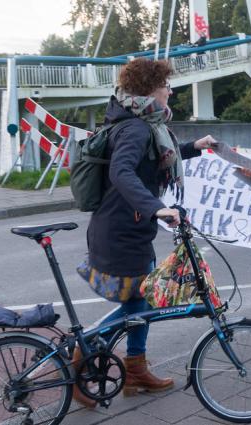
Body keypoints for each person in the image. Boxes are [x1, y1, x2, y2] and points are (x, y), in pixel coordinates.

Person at [75, 58, 215, 408]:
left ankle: (135, 368)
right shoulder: (136, 127)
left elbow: (149, 162)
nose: (170, 90)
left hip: (129, 226)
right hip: (122, 230)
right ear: (152, 88)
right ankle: (83, 352)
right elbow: (123, 172)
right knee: (137, 300)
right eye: (166, 85)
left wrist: (192, 148)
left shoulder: (139, 122)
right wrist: (157, 207)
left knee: (141, 300)